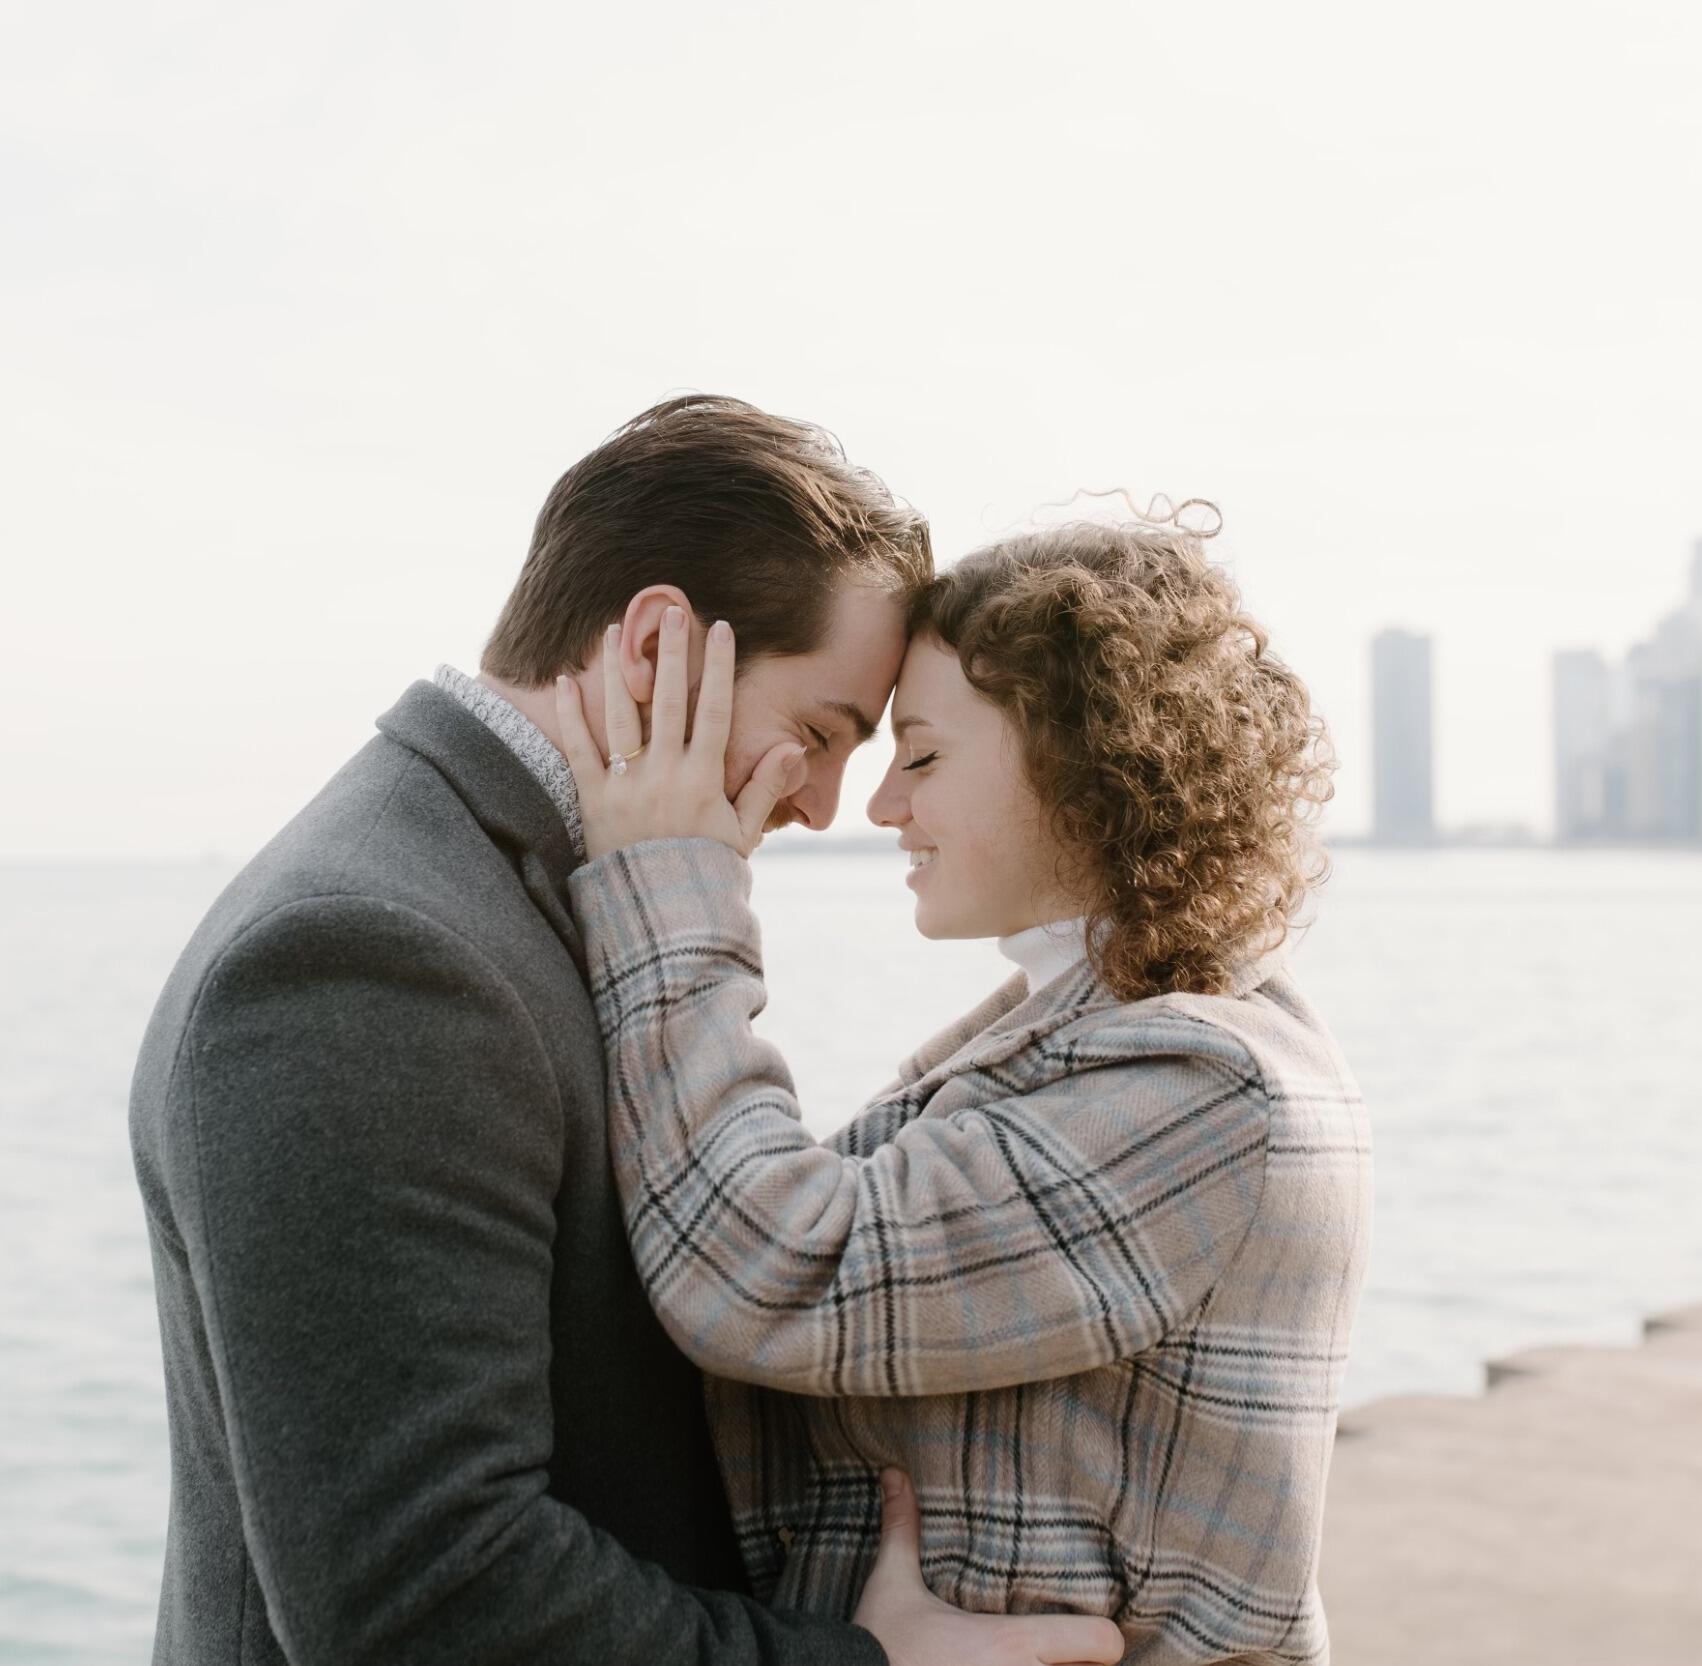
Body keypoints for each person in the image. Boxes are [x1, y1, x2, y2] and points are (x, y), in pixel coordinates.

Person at [127, 395, 1125, 1666]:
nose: (826, 803)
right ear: (656, 648)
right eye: (819, 732)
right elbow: (425, 1598)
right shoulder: (367, 956)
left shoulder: (517, 893)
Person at [550, 510, 1373, 1666]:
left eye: (923, 756)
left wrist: (671, 891)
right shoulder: (1089, 1035)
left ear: (1089, 766)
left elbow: (768, 1268)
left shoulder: (1211, 1088)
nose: (881, 806)